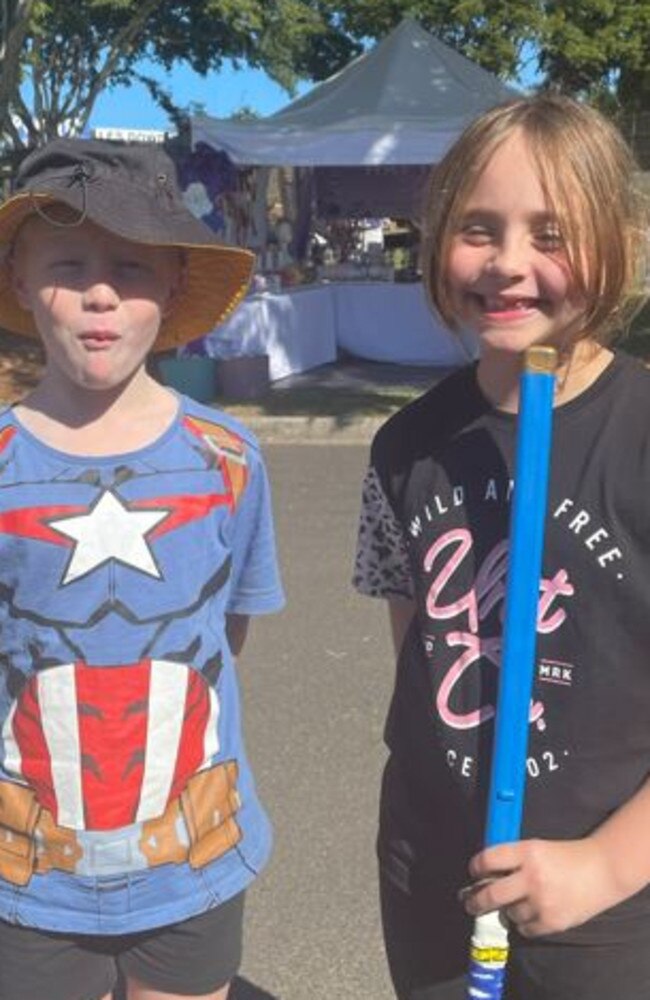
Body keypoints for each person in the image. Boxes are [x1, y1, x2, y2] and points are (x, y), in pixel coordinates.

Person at [353, 93, 650, 1000]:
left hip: (607, 904)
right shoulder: (406, 446)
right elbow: (418, 641)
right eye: (479, 229)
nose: (509, 263)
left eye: (551, 233)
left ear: (617, 244)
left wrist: (604, 864)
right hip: (432, 865)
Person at [0, 138, 285, 1000]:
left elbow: (225, 634)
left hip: (189, 857)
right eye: (69, 263)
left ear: (171, 285)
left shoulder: (228, 459)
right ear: (19, 279)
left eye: (130, 266)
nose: (99, 291)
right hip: (28, 872)